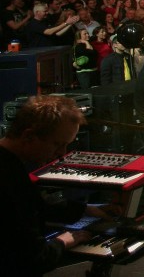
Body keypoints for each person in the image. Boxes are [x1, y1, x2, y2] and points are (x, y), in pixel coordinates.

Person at [0, 95, 114, 276]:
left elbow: (36, 206)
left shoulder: (9, 163)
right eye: (58, 144)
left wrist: (86, 209)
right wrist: (65, 240)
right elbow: (35, 259)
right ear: (29, 136)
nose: (62, 153)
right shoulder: (10, 179)